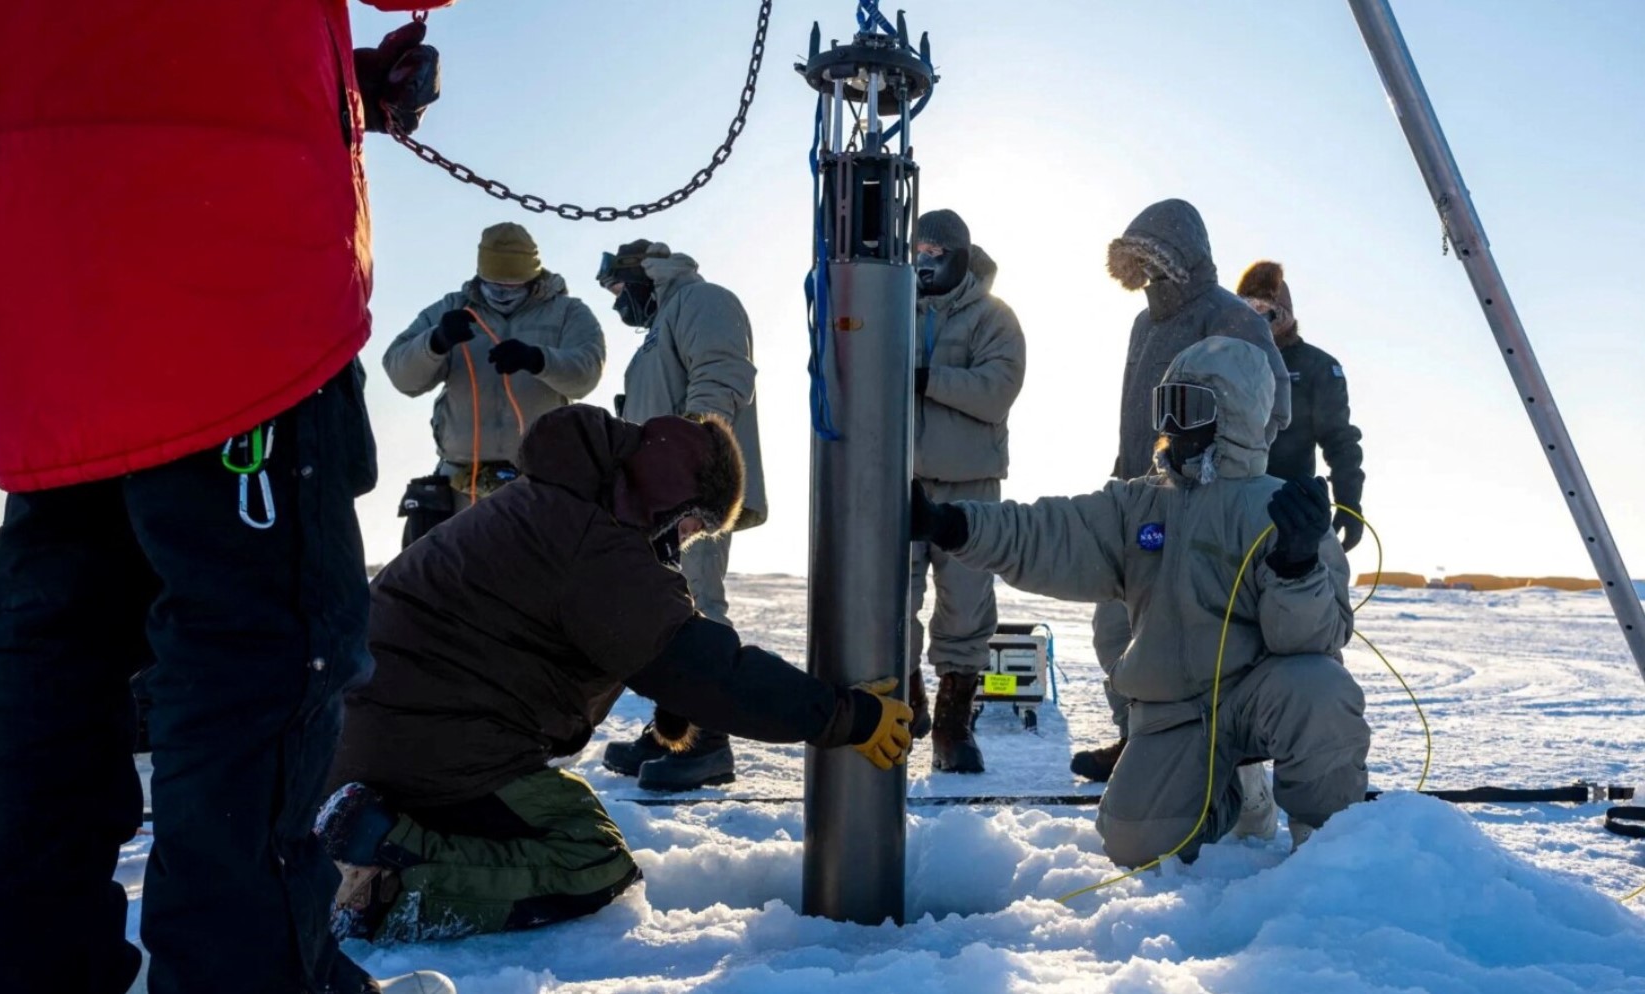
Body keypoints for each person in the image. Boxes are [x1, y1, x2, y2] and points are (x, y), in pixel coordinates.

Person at [0, 3, 457, 992]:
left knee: (57, 672)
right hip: (232, 282)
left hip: (33, 271)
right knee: (248, 680)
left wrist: (324, 78)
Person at [321, 404, 912, 940]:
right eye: (693, 527)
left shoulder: (561, 502)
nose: (684, 543)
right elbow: (710, 673)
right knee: (590, 856)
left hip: (371, 734)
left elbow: (648, 635)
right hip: (425, 743)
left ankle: (370, 832)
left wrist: (673, 676)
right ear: (674, 500)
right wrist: (845, 715)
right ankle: (384, 878)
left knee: (547, 815)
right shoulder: (593, 541)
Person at [911, 336, 1370, 866]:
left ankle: (1327, 844)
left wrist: (1297, 565)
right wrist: (951, 524)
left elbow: (1313, 640)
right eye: (1166, 406)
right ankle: (1236, 795)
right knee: (1135, 845)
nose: (1173, 425)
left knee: (1320, 687)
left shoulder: (1280, 509)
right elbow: (1048, 532)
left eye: (1191, 408)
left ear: (1236, 414)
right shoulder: (1139, 505)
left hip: (1261, 694)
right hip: (1176, 710)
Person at [1075, 198, 1293, 784]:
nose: (1149, 269)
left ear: (1187, 256)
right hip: (1138, 493)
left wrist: (1221, 472)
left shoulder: (1233, 318)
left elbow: (1276, 405)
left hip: (1203, 503)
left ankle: (1226, 766)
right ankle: (1135, 741)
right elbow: (1132, 410)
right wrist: (1124, 472)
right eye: (1138, 258)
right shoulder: (1143, 323)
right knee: (1115, 629)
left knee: (1198, 638)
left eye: (1157, 257)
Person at [594, 240, 770, 791]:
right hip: (661, 493)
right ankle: (675, 730)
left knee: (698, 603)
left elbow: (721, 376)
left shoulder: (703, 300)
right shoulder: (663, 322)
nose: (617, 302)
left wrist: (693, 458)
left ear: (642, 275)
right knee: (668, 607)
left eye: (619, 289)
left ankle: (708, 742)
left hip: (697, 487)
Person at [383, 222, 606, 546]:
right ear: (480, 276)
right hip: (460, 487)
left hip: (539, 486)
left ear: (532, 278)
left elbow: (586, 373)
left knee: (534, 587)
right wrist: (435, 342)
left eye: (512, 287)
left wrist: (537, 359)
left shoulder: (569, 313)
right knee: (449, 589)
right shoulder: (452, 308)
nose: (502, 295)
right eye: (494, 286)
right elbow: (399, 373)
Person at [908, 209, 1026, 773]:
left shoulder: (994, 318)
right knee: (886, 599)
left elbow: (996, 391)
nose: (925, 261)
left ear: (960, 256)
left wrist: (926, 378)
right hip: (897, 480)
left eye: (937, 252)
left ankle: (954, 725)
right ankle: (905, 703)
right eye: (918, 250)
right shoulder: (890, 310)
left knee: (965, 606)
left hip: (970, 485)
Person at [1237, 260, 1366, 552]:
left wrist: (1349, 501)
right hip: (1223, 509)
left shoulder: (1317, 367)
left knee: (1290, 594)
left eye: (1266, 309)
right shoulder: (1220, 359)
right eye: (1248, 308)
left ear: (1285, 314)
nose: (1258, 318)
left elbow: (1339, 440)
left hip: (1287, 512)